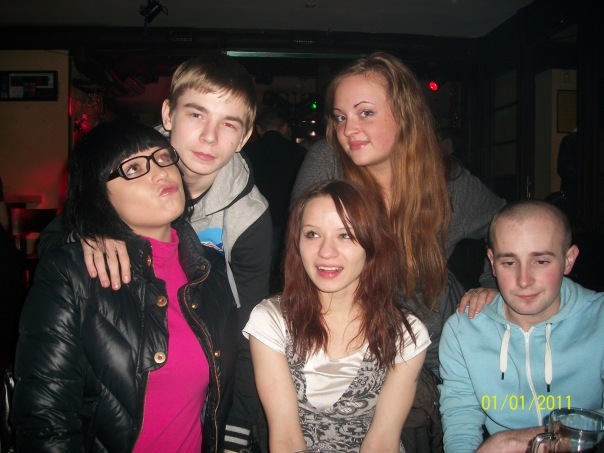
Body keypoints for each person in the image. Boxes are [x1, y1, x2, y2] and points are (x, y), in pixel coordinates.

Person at [40, 54, 272, 451]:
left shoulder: (249, 216)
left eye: (229, 123)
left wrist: (236, 426)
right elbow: (53, 243)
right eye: (196, 115)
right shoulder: (123, 166)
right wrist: (92, 229)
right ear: (168, 114)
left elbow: (249, 329)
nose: (209, 137)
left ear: (245, 137)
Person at [10, 119, 239, 451]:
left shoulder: (210, 270)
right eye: (133, 168)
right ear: (99, 196)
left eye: (163, 157)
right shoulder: (72, 274)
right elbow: (45, 421)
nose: (160, 172)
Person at [291, 52, 506, 377]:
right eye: (340, 117)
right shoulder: (328, 164)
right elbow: (300, 252)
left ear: (405, 115)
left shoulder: (447, 183)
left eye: (365, 113)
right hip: (353, 348)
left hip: (439, 349)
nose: (348, 129)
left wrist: (493, 283)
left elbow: (507, 222)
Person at [244, 180, 430, 452]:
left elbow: (382, 443)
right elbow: (285, 439)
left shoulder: (404, 334)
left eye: (345, 235)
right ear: (297, 242)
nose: (326, 252)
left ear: (372, 243)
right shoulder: (271, 321)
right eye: (312, 234)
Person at [439, 199, 604, 453]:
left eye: (541, 261)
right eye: (509, 263)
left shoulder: (599, 318)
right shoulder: (463, 330)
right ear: (492, 262)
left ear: (568, 260)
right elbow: (460, 426)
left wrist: (519, 441)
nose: (523, 280)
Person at [243, 107, 306, 284]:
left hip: (254, 218)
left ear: (258, 129)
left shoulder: (247, 153)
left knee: (257, 271)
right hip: (287, 217)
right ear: (284, 128)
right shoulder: (298, 152)